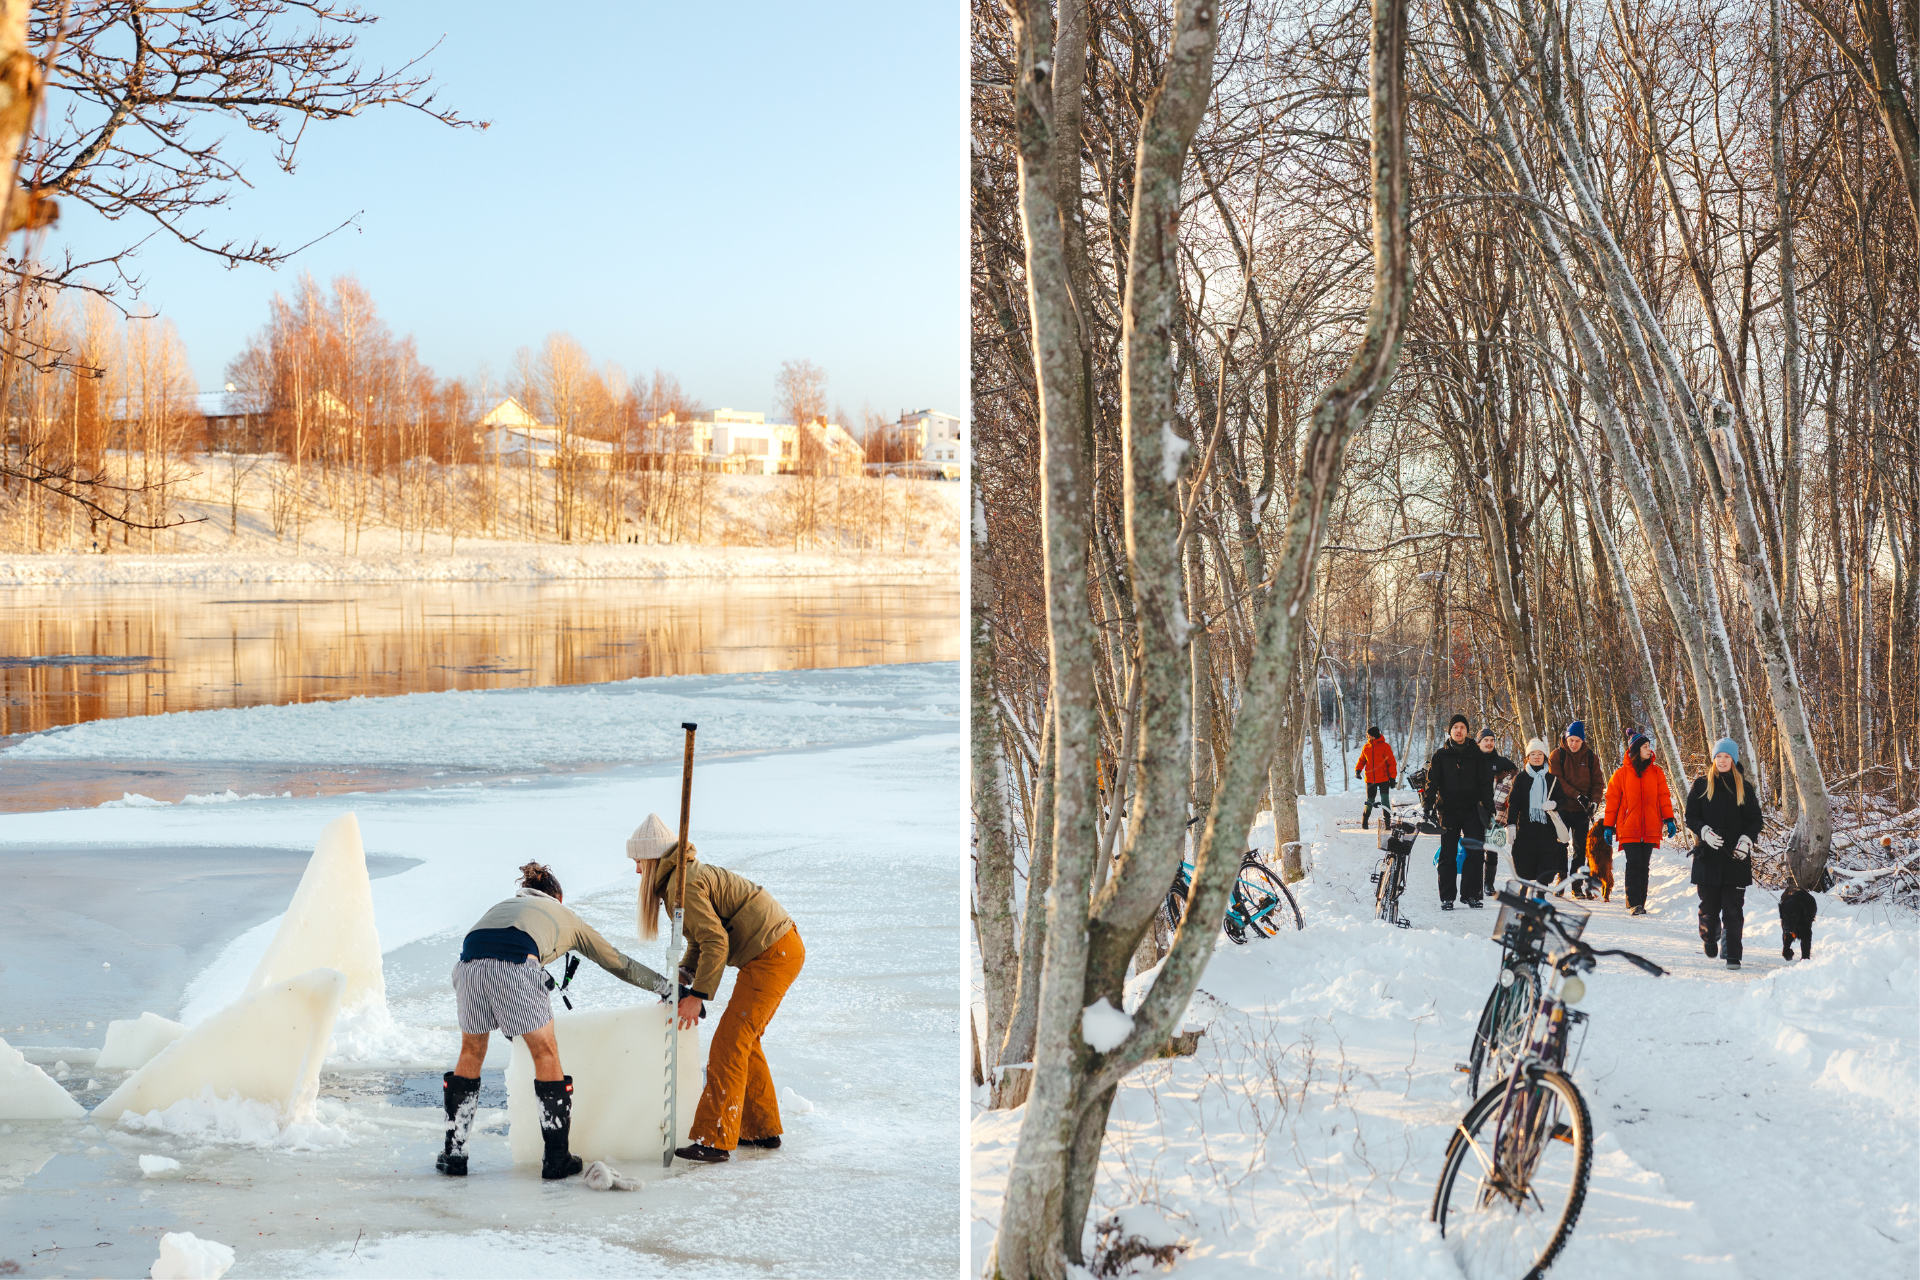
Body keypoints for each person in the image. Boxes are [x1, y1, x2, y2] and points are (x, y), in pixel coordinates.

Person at [439, 862, 672, 1179]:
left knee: (471, 1051)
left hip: (468, 967)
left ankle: (454, 1154)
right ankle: (557, 1158)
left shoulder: (503, 906)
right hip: (517, 964)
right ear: (558, 899)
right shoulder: (566, 917)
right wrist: (668, 988)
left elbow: (484, 947)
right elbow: (618, 963)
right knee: (545, 1052)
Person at [635, 833, 803, 1165]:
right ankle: (760, 1130)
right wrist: (685, 973)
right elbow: (704, 936)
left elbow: (716, 943)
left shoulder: (681, 886)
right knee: (744, 1040)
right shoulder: (683, 879)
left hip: (772, 953)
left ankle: (714, 1140)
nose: (638, 872)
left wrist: (698, 997)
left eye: (639, 863)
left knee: (730, 1043)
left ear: (653, 861)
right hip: (779, 948)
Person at [1685, 738, 1762, 969]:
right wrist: (1704, 831)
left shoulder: (1744, 788)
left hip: (1735, 859)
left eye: (1726, 757)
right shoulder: (1700, 785)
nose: (1722, 761)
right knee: (1708, 907)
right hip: (1707, 858)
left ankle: (1732, 955)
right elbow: (1691, 816)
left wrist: (1746, 841)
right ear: (1713, 759)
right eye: (1718, 757)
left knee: (1733, 909)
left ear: (1734, 759)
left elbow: (1755, 820)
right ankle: (1709, 937)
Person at [1422, 714, 1496, 910]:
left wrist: (1489, 809)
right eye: (1455, 727)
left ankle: (1471, 895)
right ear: (1450, 730)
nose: (1459, 730)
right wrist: (1427, 806)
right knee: (1448, 854)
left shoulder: (1477, 754)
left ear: (1467, 730)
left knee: (1475, 853)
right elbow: (1431, 784)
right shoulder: (1440, 755)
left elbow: (1485, 785)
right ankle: (1447, 897)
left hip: (1473, 811)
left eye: (1462, 727)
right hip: (1448, 811)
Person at [1602, 733, 1677, 916]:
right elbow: (1612, 801)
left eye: (1649, 746)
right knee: (1634, 862)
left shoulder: (1657, 772)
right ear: (1635, 750)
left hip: (1651, 825)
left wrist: (1669, 819)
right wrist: (1608, 825)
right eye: (1644, 746)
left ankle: (1640, 902)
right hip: (1629, 825)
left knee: (1644, 865)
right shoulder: (1621, 774)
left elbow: (1663, 797)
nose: (1649, 749)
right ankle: (1634, 902)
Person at [1548, 722, 1605, 888]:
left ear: (1583, 741)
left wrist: (1594, 801)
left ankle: (1576, 884)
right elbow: (1556, 780)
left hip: (1582, 809)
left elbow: (1598, 783)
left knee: (1580, 848)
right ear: (1566, 738)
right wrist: (1577, 795)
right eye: (1571, 740)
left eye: (1577, 741)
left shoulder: (1591, 757)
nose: (1573, 744)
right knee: (1560, 845)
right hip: (1562, 807)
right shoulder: (1557, 755)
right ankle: (1562, 877)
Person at [1507, 738, 1570, 886]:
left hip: (1547, 832)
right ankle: (1524, 896)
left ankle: (1540, 896)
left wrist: (1554, 804)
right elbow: (1513, 803)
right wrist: (1510, 825)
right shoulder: (1521, 778)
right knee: (1524, 864)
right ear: (1528, 757)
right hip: (1525, 829)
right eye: (1533, 754)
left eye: (1540, 754)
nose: (1536, 757)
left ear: (1545, 757)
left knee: (1546, 865)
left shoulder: (1551, 779)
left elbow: (1563, 800)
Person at [1477, 729, 1519, 888]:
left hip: (1495, 810)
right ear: (1478, 743)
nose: (1489, 743)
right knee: (1476, 848)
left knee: (1493, 847)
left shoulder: (1502, 762)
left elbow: (1516, 779)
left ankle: (1489, 884)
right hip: (1475, 809)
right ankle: (1475, 885)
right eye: (1485, 740)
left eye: (1491, 740)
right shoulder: (1472, 760)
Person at [1356, 726, 1398, 828]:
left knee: (1385, 801)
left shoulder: (1385, 747)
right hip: (1370, 779)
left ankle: (1387, 824)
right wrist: (1358, 770)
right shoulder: (1366, 747)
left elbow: (1391, 763)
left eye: (1368, 734)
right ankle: (1364, 822)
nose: (1367, 736)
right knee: (1369, 800)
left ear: (1373, 736)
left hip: (1383, 779)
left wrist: (1392, 778)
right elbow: (1362, 760)